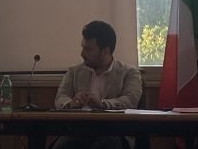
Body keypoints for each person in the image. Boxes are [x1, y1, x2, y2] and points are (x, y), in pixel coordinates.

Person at [53, 20, 142, 149]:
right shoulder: (74, 72)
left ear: (105, 51)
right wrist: (71, 103)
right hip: (78, 131)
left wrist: (103, 104)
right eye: (83, 47)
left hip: (115, 132)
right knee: (63, 145)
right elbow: (60, 97)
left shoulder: (129, 73)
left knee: (108, 144)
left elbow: (130, 101)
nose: (82, 54)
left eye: (88, 49)